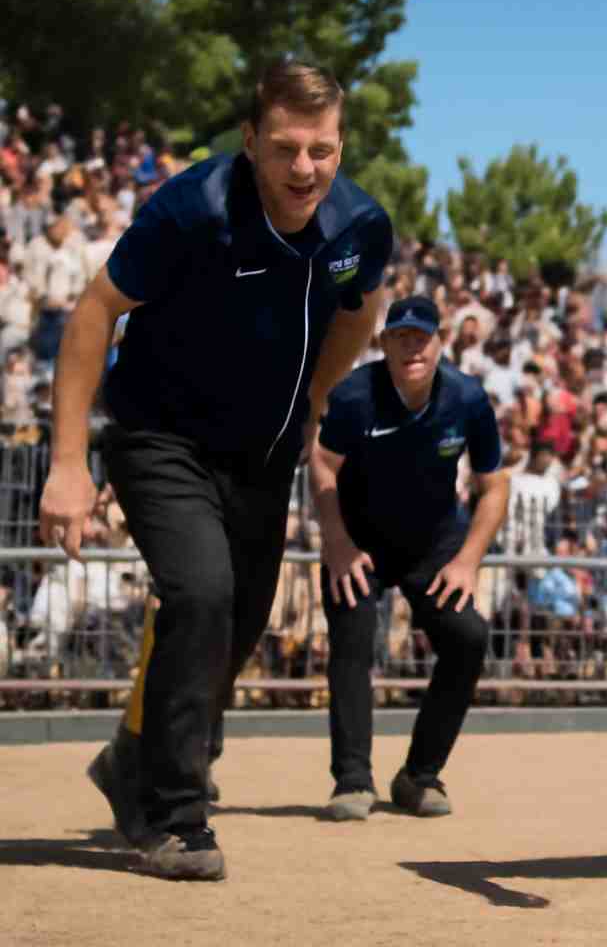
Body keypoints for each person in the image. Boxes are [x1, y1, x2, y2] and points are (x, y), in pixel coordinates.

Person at [38, 60, 391, 880]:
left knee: (235, 629)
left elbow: (358, 307)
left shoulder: (358, 228)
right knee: (199, 596)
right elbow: (94, 313)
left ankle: (133, 756)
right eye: (285, 149)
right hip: (159, 436)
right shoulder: (191, 212)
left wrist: (316, 398)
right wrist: (66, 463)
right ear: (249, 142)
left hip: (262, 455)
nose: (305, 169)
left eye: (324, 151)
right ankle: (174, 816)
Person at [310, 294, 508, 821]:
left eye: (422, 337)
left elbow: (493, 487)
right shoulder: (354, 395)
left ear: (441, 343)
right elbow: (323, 465)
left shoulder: (468, 399)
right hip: (359, 540)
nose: (412, 346)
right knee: (352, 642)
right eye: (401, 337)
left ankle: (419, 777)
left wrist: (467, 560)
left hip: (434, 543)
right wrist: (336, 543)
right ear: (384, 344)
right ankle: (352, 781)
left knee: (468, 638)